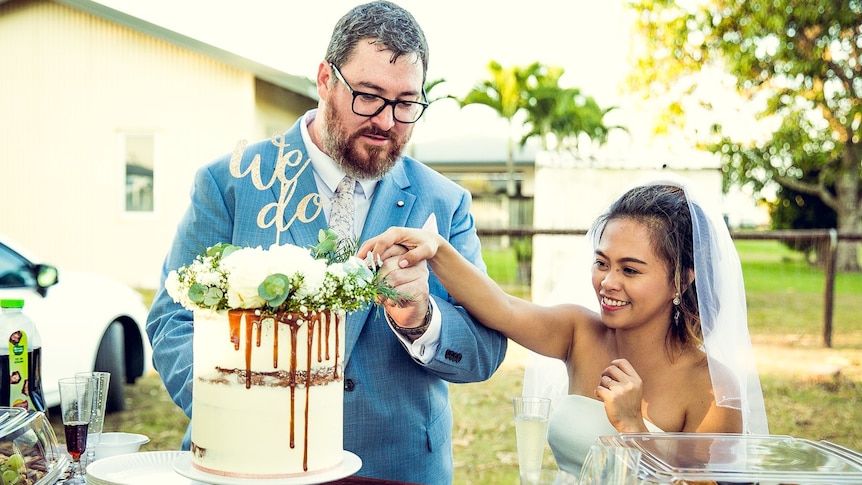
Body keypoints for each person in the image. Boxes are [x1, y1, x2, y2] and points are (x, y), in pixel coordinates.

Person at [145, 2, 508, 484]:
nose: (386, 120)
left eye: (406, 103)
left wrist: (422, 319)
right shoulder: (228, 184)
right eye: (369, 95)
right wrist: (241, 409)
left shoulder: (445, 202)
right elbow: (173, 321)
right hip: (248, 464)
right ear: (324, 79)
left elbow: (483, 349)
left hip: (397, 467)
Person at [360, 180, 769, 476]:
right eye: (602, 262)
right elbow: (502, 308)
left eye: (630, 270)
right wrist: (438, 250)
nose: (608, 282)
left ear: (682, 280)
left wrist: (634, 429)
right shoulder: (579, 332)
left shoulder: (714, 389)